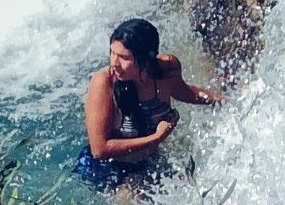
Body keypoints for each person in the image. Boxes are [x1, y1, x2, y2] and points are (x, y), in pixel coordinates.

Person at [76, 16, 217, 186]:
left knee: (193, 185)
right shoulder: (104, 82)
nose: (115, 63)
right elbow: (99, 149)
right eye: (112, 53)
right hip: (106, 167)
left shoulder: (168, 69)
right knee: (135, 197)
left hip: (147, 161)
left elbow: (183, 91)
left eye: (124, 57)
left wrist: (222, 100)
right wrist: (157, 138)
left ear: (147, 57)